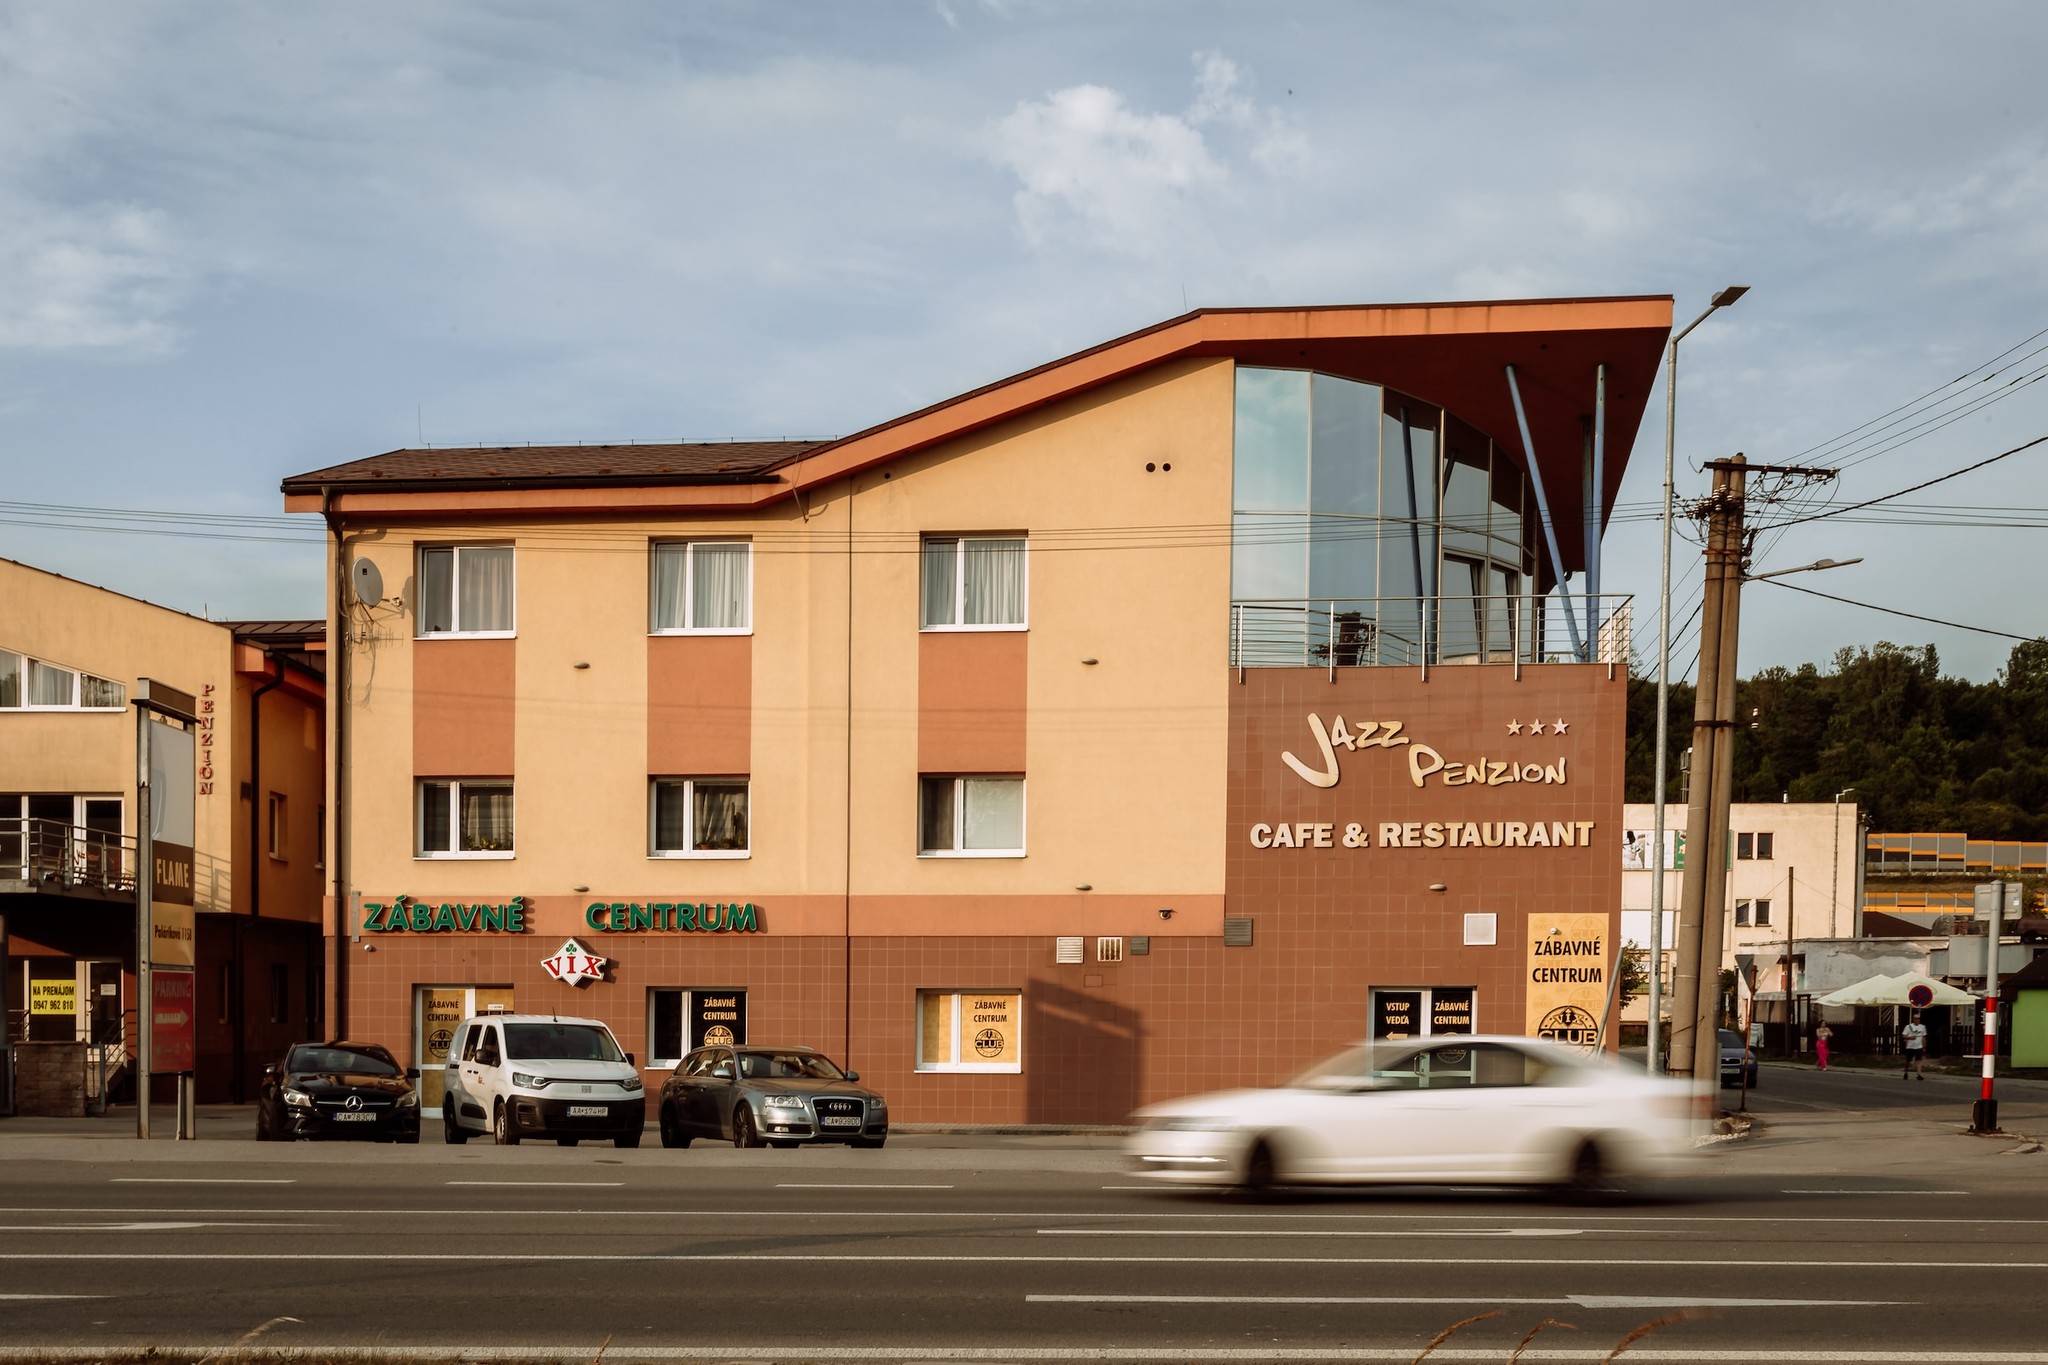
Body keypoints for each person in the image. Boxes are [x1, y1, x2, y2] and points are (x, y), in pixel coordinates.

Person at [1901, 1012, 1928, 1079]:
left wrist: (1924, 1046)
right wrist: (1910, 1037)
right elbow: (1904, 1036)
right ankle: (1906, 1072)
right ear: (1913, 1019)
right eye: (1916, 1018)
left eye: (1918, 1018)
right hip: (1910, 1046)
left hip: (1918, 1046)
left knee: (1919, 1060)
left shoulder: (1922, 1027)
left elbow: (1924, 1037)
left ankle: (1919, 1074)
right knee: (1908, 1061)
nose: (1917, 1020)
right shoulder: (1908, 1026)